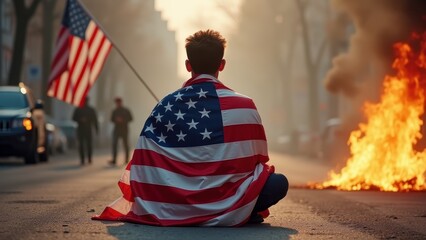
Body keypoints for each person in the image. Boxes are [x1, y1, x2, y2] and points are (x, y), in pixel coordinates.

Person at [93, 30, 288, 226]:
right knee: (278, 183)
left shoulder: (164, 106)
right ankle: (239, 212)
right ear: (222, 64)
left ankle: (204, 212)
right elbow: (259, 160)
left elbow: (142, 163)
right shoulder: (244, 105)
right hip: (233, 200)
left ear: (188, 65)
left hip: (174, 204)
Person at [72, 97, 98, 165]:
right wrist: (80, 119)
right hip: (81, 129)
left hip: (88, 129)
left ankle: (88, 158)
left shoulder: (91, 110)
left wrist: (96, 129)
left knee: (88, 145)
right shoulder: (78, 109)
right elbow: (74, 118)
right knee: (81, 145)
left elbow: (95, 120)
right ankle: (83, 159)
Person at [109, 97, 133, 165]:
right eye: (117, 102)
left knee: (125, 144)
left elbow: (131, 118)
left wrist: (123, 120)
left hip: (124, 129)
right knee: (114, 144)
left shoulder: (126, 110)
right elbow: (111, 119)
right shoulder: (114, 111)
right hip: (117, 129)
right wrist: (116, 120)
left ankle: (126, 159)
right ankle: (114, 159)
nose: (118, 104)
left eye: (118, 102)